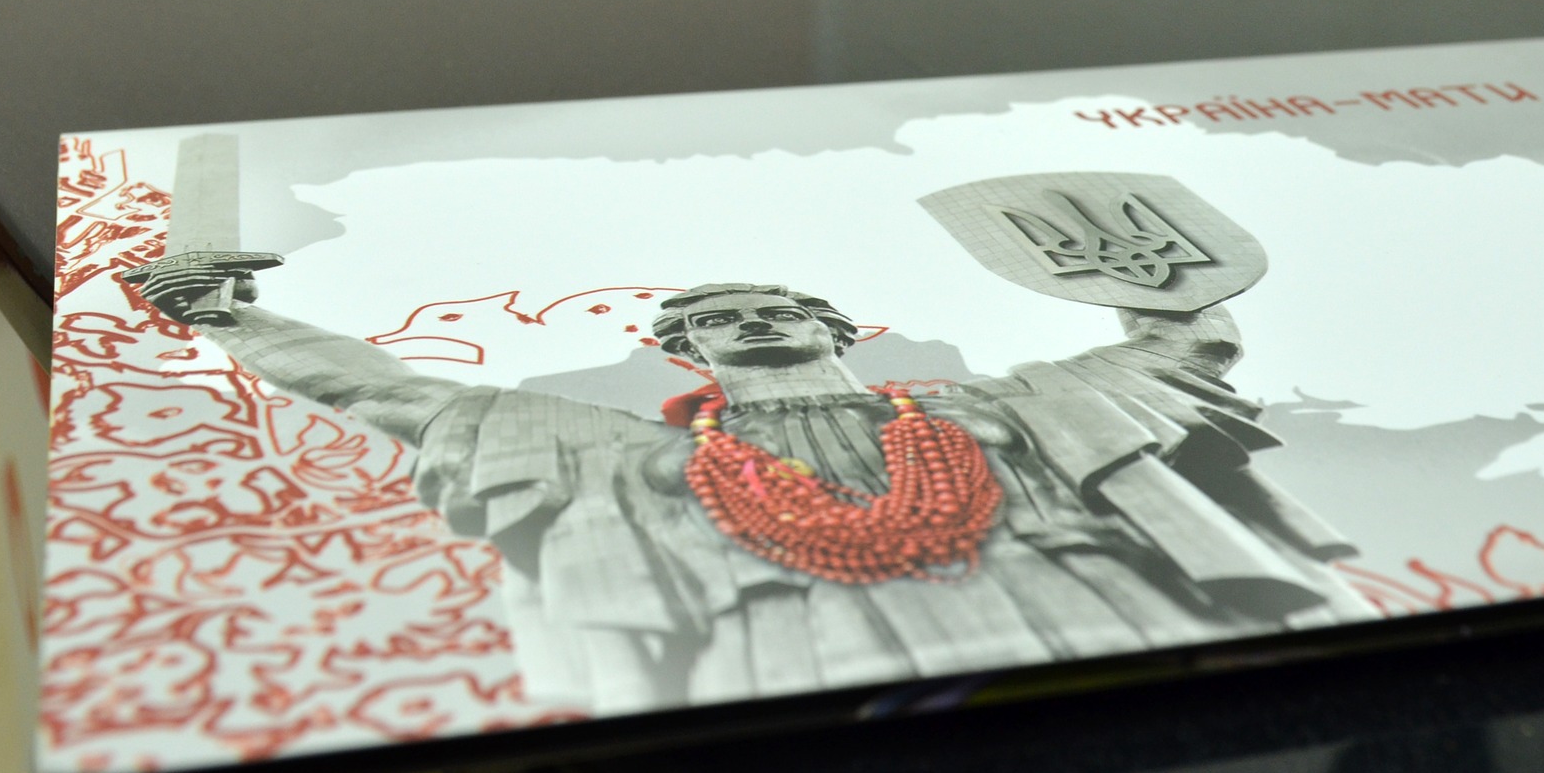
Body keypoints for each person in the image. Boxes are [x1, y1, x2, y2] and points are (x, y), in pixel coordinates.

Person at [135, 270, 1372, 715]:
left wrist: (1154, 267)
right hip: (790, 644)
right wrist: (235, 320)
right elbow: (384, 391)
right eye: (715, 318)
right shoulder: (614, 447)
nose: (749, 321)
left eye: (775, 306)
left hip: (1086, 609)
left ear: (833, 326)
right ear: (682, 349)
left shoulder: (1002, 405)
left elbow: (1179, 353)